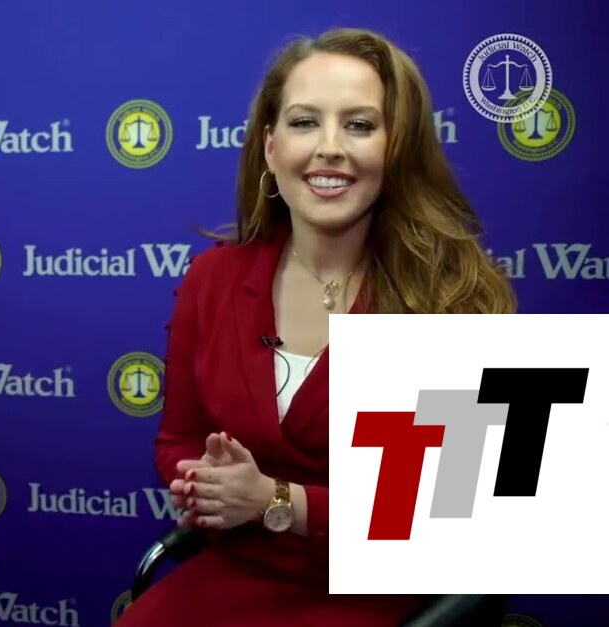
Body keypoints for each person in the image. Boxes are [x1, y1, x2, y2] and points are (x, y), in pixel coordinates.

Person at [114, 28, 515, 627]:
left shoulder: (455, 295)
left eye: (360, 125)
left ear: (397, 148)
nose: (329, 147)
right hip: (240, 568)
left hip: (382, 591)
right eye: (305, 122)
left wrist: (275, 501)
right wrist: (207, 484)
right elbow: (178, 441)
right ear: (270, 147)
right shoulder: (212, 279)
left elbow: (463, 514)